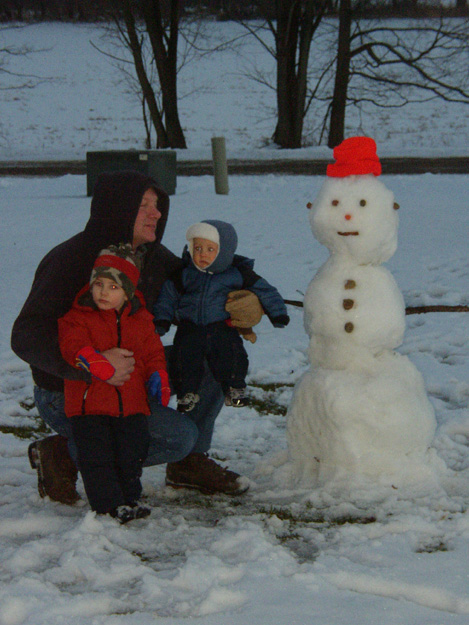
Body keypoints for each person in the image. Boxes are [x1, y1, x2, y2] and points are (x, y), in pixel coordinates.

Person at [11, 170, 252, 505]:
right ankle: (65, 451)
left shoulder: (151, 257)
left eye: (158, 205)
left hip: (131, 374)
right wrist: (90, 364)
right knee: (176, 437)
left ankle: (188, 465)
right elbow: (25, 335)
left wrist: (239, 296)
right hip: (67, 389)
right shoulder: (71, 260)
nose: (157, 213)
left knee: (214, 351)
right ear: (118, 209)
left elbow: (195, 284)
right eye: (144, 206)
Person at [58, 244, 170, 523]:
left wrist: (159, 376)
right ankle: (107, 506)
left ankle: (129, 500)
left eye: (113, 287)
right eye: (99, 284)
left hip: (131, 404)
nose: (103, 293)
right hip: (90, 406)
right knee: (98, 457)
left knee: (131, 453)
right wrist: (91, 360)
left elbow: (154, 353)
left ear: (128, 291)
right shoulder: (78, 316)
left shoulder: (141, 320)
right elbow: (71, 344)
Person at [153, 220, 290, 413]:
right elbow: (167, 296)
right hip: (189, 326)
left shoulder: (237, 273)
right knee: (184, 358)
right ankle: (187, 393)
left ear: (224, 251)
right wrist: (162, 319)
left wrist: (278, 313)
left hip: (221, 325)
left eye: (210, 249)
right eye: (197, 247)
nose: (202, 254)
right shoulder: (185, 274)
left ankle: (234, 387)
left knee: (232, 354)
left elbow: (265, 290)